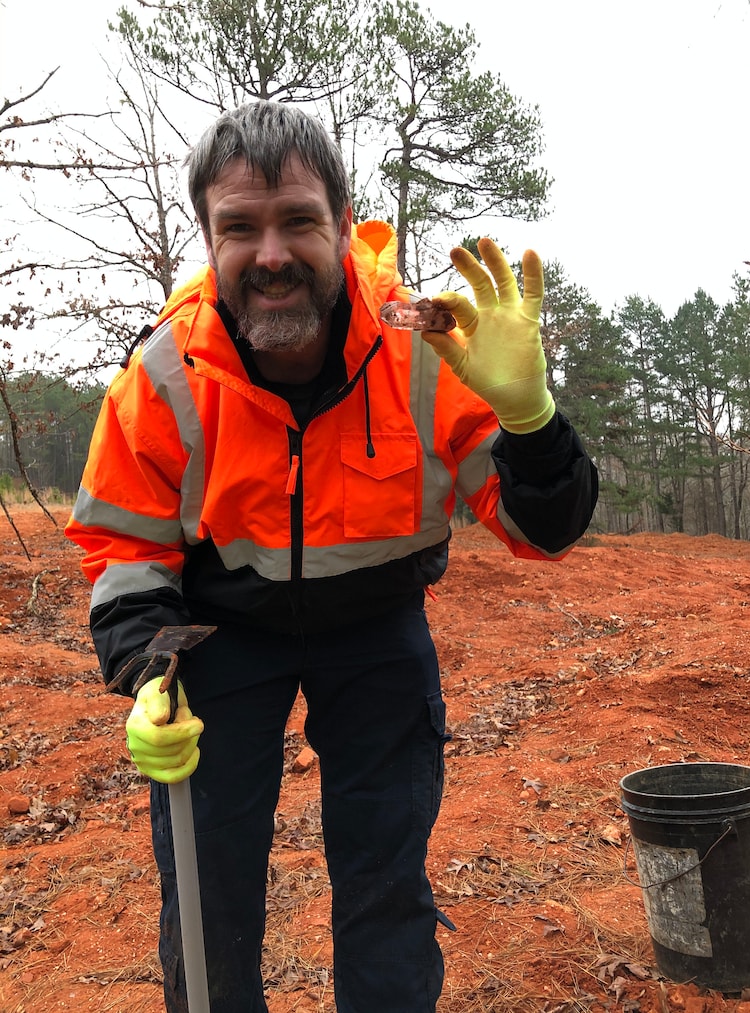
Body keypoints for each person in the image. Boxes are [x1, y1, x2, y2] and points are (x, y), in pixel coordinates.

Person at [65, 100, 598, 1013]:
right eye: (240, 227)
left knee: (387, 882)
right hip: (220, 627)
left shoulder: (426, 351)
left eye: (299, 221)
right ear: (209, 239)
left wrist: (530, 419)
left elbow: (540, 528)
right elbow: (128, 541)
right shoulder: (164, 371)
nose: (271, 254)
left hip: (378, 625)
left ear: (344, 224)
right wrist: (151, 667)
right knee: (207, 885)